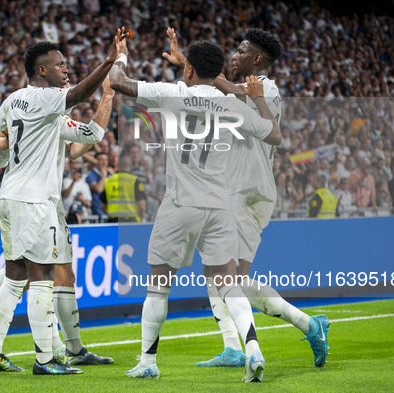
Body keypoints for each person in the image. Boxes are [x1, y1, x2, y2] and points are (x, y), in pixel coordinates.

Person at [110, 35, 281, 382]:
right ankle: (253, 350)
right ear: (219, 71)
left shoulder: (173, 92)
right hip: (219, 206)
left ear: (187, 69)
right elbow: (273, 135)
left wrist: (122, 56)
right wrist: (259, 100)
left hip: (179, 203)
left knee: (158, 284)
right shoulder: (233, 106)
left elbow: (116, 83)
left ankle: (147, 361)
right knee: (228, 283)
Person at [165, 28, 330, 369]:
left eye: (240, 51)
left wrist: (200, 68)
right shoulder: (243, 90)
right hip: (232, 192)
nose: (234, 56)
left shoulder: (264, 88)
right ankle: (232, 347)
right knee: (216, 273)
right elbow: (215, 85)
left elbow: (231, 89)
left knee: (231, 279)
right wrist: (188, 62)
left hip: (248, 192)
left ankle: (307, 325)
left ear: (256, 58)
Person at [0, 33, 125, 375]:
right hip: (35, 200)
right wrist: (110, 60)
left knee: (15, 278)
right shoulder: (48, 99)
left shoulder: (14, 99)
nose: (66, 69)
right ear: (42, 70)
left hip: (9, 196)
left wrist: (3, 139)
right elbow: (80, 94)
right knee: (42, 278)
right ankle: (46, 359)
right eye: (60, 65)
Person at [101, 155, 146, 222]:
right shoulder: (134, 181)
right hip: (131, 222)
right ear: (130, 165)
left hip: (113, 222)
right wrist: (139, 221)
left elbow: (103, 206)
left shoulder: (108, 180)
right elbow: (142, 207)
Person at [86, 151, 109, 216]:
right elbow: (98, 189)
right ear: (96, 161)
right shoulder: (91, 175)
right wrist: (104, 176)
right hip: (97, 214)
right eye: (101, 160)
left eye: (106, 160)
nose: (104, 163)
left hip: (109, 212)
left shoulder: (110, 174)